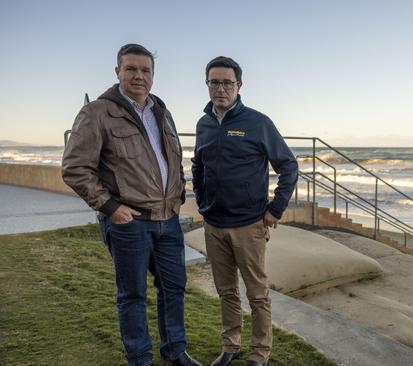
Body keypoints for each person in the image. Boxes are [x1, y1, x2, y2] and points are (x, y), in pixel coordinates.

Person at [62, 44, 202, 366]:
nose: (139, 76)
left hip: (168, 220)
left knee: (174, 288)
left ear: (153, 75)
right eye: (131, 69)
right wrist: (110, 207)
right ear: (118, 72)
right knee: (133, 295)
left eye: (145, 70)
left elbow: (173, 159)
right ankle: (140, 358)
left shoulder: (161, 112)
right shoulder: (97, 112)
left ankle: (175, 350)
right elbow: (74, 168)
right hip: (129, 222)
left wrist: (178, 197)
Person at [191, 56, 298, 366]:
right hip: (214, 224)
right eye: (215, 82)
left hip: (249, 225)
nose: (221, 88)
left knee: (257, 294)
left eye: (227, 82)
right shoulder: (204, 124)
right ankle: (230, 346)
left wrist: (275, 210)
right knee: (226, 291)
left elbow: (288, 166)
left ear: (239, 85)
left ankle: (260, 354)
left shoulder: (258, 122)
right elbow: (198, 165)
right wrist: (201, 200)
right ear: (207, 85)